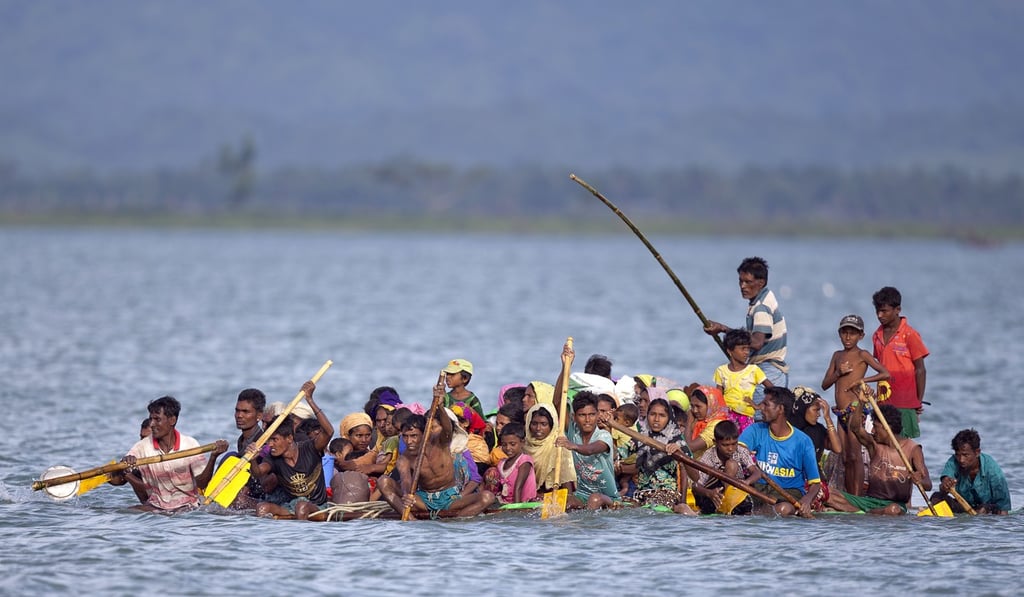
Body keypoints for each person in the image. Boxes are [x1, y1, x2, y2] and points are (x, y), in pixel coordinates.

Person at [377, 382, 495, 517]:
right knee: (383, 481)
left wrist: (439, 404)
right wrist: (406, 495)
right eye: (405, 436)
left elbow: (447, 428)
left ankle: (457, 519)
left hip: (451, 499)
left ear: (424, 433)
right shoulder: (405, 458)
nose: (409, 441)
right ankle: (410, 519)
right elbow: (405, 481)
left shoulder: (441, 443)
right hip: (423, 500)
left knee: (487, 497)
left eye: (414, 436)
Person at [109, 395, 228, 512]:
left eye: (157, 419)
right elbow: (118, 480)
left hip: (187, 507)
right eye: (151, 419)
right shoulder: (142, 446)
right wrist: (124, 465)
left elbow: (202, 483)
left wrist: (213, 457)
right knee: (125, 512)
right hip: (155, 506)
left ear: (172, 420)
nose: (152, 424)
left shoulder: (190, 444)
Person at [704, 256, 789, 413]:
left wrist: (723, 329)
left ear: (761, 282)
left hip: (768, 369)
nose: (743, 286)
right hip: (769, 369)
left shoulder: (761, 307)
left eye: (748, 282)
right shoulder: (762, 300)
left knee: (759, 418)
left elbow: (756, 342)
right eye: (740, 281)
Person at [822, 313, 890, 494]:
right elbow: (825, 384)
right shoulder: (837, 356)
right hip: (840, 412)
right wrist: (839, 373)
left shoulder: (862, 354)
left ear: (861, 336)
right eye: (844, 333)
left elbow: (885, 373)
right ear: (839, 334)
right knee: (844, 456)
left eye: (853, 333)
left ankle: (857, 496)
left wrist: (862, 381)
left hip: (855, 409)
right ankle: (849, 495)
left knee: (855, 456)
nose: (848, 337)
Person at [826, 399, 931, 515]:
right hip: (869, 501)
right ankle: (865, 511)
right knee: (826, 493)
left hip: (895, 505)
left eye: (875, 427)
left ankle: (860, 512)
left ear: (887, 427)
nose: (872, 430)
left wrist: (919, 480)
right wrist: (861, 402)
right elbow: (855, 428)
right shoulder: (874, 445)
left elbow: (928, 485)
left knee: (893, 510)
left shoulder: (913, 449)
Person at [249, 381, 334, 520]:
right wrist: (252, 459)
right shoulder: (273, 457)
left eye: (274, 440)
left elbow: (329, 432)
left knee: (302, 506)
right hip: (292, 506)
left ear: (289, 438)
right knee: (262, 507)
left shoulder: (310, 448)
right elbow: (258, 472)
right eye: (269, 440)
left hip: (318, 507)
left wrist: (310, 400)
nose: (269, 445)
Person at [738, 387, 821, 517]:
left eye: (766, 405)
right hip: (760, 488)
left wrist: (807, 499)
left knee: (783, 509)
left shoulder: (803, 441)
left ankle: (753, 513)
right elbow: (738, 451)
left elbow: (815, 482)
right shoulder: (755, 430)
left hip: (789, 492)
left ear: (781, 409)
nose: (761, 408)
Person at [618, 391, 693, 513]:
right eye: (652, 414)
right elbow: (618, 454)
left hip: (666, 495)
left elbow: (695, 475)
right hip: (641, 495)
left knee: (655, 508)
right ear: (647, 416)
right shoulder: (640, 438)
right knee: (617, 505)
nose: (656, 419)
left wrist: (681, 455)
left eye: (662, 415)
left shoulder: (678, 442)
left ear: (668, 418)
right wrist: (607, 429)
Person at [871, 287, 929, 439]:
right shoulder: (876, 336)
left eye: (884, 311)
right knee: (882, 442)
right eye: (877, 311)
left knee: (903, 444)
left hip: (905, 401)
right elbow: (881, 365)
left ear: (898, 310)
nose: (879, 315)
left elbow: (920, 370)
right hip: (883, 400)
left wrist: (917, 401)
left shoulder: (910, 334)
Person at [555, 390, 618, 510]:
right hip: (582, 495)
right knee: (565, 502)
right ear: (574, 417)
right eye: (582, 415)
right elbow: (558, 402)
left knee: (595, 499)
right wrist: (563, 371)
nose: (588, 420)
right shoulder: (573, 431)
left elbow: (591, 449)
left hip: (607, 497)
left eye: (592, 414)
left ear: (597, 415)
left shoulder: (604, 436)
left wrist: (573, 446)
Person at [930, 429, 1011, 515]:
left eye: (965, 455)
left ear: (977, 452)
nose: (961, 460)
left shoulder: (992, 468)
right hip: (963, 505)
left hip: (988, 508)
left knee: (983, 510)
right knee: (936, 497)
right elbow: (945, 482)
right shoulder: (953, 461)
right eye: (958, 454)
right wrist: (945, 485)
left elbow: (1003, 506)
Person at [693, 420, 764, 515]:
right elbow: (696, 486)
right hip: (715, 496)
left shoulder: (741, 451)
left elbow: (757, 473)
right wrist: (709, 493)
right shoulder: (708, 456)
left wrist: (747, 482)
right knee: (731, 464)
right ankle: (727, 503)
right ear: (715, 443)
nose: (730, 449)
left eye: (734, 444)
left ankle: (733, 503)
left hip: (737, 493)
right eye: (725, 445)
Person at [715, 328, 774, 433]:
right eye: (743, 349)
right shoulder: (721, 371)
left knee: (745, 446)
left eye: (748, 349)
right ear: (730, 351)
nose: (746, 352)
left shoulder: (753, 370)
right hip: (726, 417)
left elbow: (772, 389)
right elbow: (718, 396)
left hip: (746, 418)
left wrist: (759, 405)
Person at [523, 402, 576, 496]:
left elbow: (566, 478)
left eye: (544, 424)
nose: (538, 428)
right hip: (531, 495)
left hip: (554, 494)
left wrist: (568, 498)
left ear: (552, 425)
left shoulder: (559, 446)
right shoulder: (523, 445)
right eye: (534, 424)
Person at [493, 423, 537, 504]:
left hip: (523, 503)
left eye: (512, 444)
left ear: (522, 442)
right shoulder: (501, 463)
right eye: (504, 444)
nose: (508, 448)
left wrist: (517, 510)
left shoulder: (524, 460)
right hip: (506, 503)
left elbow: (518, 488)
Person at [684, 385, 729, 460]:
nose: (694, 410)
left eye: (698, 406)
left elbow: (689, 448)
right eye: (692, 406)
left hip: (706, 469)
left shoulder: (717, 425)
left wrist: (688, 423)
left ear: (711, 405)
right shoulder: (699, 421)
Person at [611, 403, 639, 498]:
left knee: (622, 480)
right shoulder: (635, 428)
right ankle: (625, 488)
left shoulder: (618, 429)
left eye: (616, 419)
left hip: (624, 459)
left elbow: (612, 444)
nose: (614, 421)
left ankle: (623, 489)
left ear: (626, 422)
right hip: (634, 459)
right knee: (625, 479)